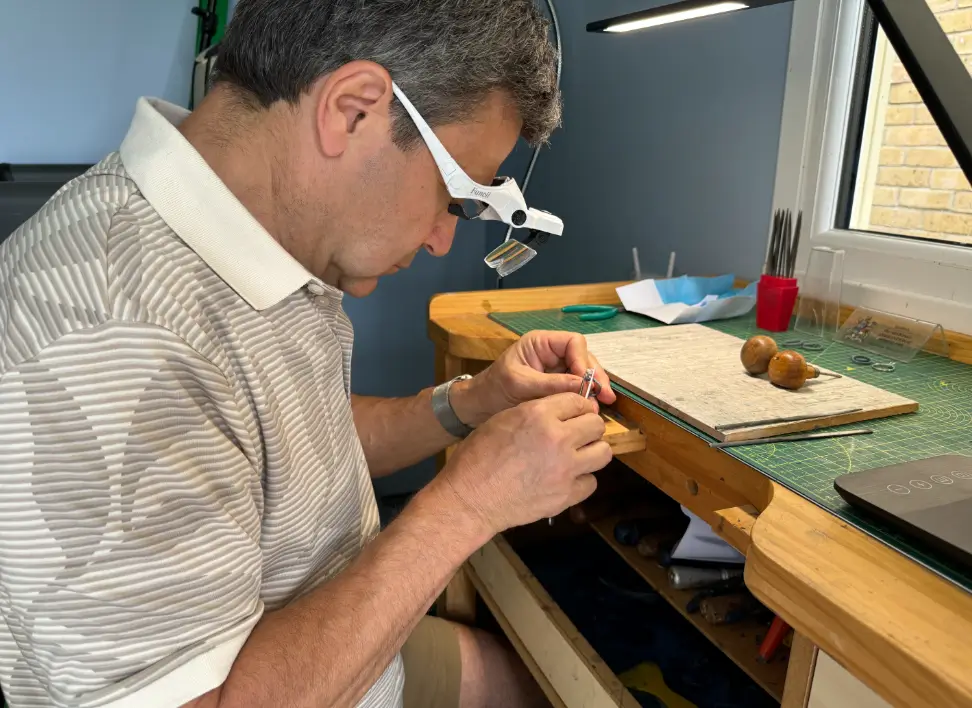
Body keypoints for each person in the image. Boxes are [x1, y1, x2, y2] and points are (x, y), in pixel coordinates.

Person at [0, 1, 618, 707]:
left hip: (334, 638)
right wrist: (465, 506)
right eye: (456, 196)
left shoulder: (265, 242)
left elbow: (275, 447)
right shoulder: (113, 341)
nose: (444, 240)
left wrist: (467, 405)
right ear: (353, 110)